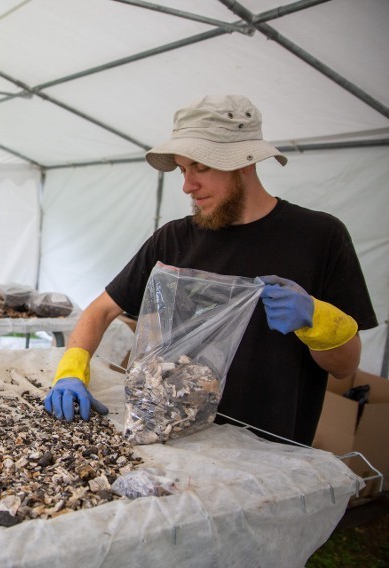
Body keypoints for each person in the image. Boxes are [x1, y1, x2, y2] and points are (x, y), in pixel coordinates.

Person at [44, 94, 378, 445]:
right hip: (174, 439)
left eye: (201, 167)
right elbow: (100, 310)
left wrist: (317, 321)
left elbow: (345, 367)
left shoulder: (319, 237)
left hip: (270, 455)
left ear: (245, 162)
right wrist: (70, 373)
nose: (188, 185)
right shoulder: (173, 239)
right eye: (183, 169)